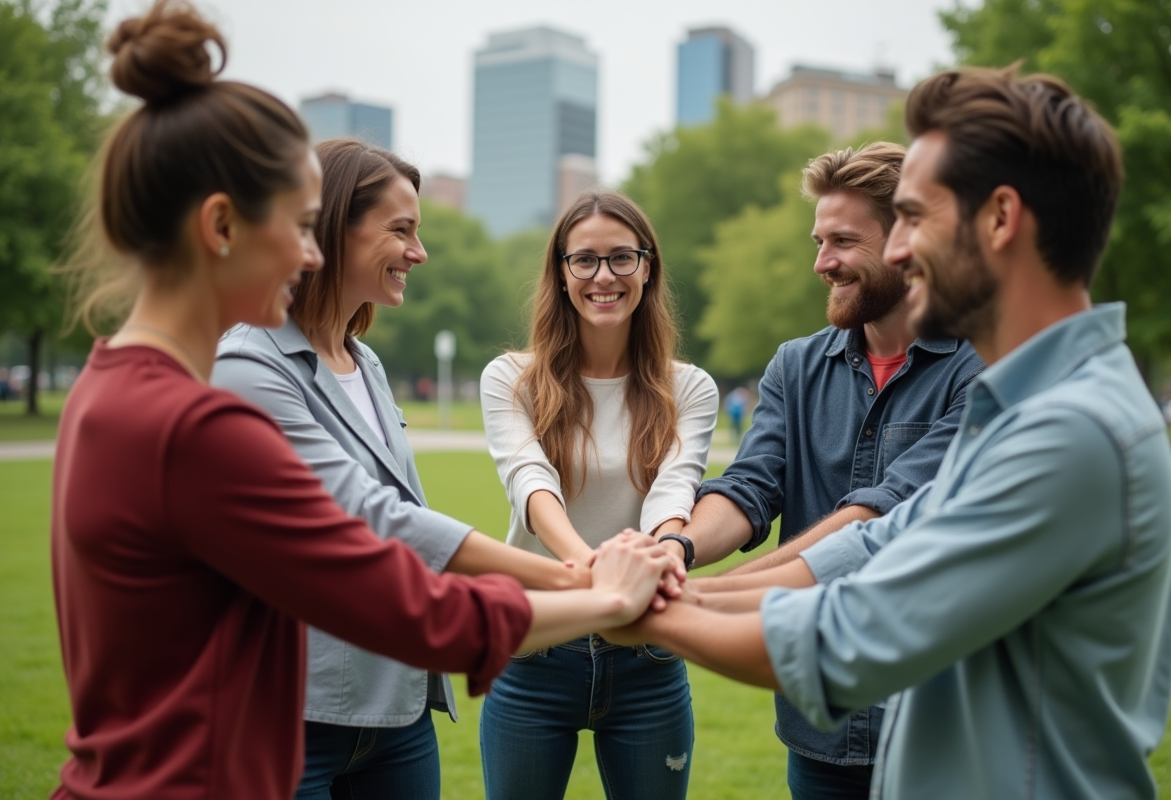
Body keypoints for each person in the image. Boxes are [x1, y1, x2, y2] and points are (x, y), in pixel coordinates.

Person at [50, 5, 679, 800]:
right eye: (302, 226)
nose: (308, 254)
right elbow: (408, 604)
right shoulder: (196, 423)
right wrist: (602, 593)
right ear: (220, 227)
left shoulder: (108, 388)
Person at [612, 66, 1171, 799]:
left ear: (1001, 219)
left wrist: (644, 615)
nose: (903, 252)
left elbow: (848, 638)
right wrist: (675, 580)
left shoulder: (1069, 431)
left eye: (914, 217)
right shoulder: (1026, 405)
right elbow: (869, 545)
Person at [211, 138, 596, 800]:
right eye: (402, 231)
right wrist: (571, 578)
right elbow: (370, 516)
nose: (419, 253)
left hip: (396, 709)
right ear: (333, 227)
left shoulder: (367, 363)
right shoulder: (248, 368)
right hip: (287, 712)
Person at [655, 142, 983, 798]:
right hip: (820, 724)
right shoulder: (795, 367)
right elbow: (752, 486)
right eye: (818, 240)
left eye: (841, 241)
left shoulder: (977, 369)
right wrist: (675, 549)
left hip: (934, 724)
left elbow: (881, 516)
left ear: (907, 242)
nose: (821, 263)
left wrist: (688, 601)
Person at [478, 191, 719, 800]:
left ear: (648, 268)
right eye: (584, 260)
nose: (603, 276)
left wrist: (661, 556)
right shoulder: (511, 379)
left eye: (621, 258)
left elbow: (675, 491)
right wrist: (596, 577)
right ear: (561, 273)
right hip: (534, 650)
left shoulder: (689, 388)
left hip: (648, 658)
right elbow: (531, 483)